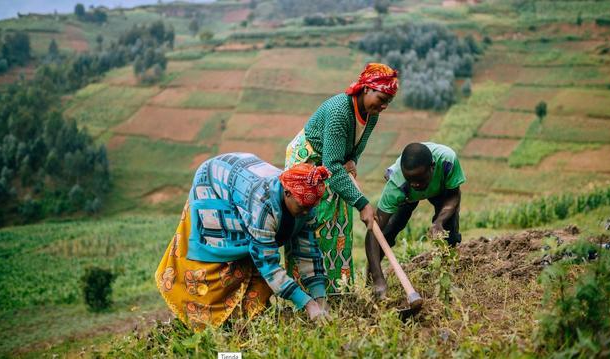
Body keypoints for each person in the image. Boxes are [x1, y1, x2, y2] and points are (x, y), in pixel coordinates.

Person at [155, 152, 331, 330]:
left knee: (256, 250)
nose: (306, 213)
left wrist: (320, 299)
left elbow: (308, 251)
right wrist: (308, 304)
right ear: (286, 193)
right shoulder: (261, 205)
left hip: (242, 175)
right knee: (227, 263)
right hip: (213, 182)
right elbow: (268, 264)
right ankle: (212, 326)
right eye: (302, 207)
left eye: (311, 208)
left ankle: (247, 318)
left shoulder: (306, 204)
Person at [284, 63, 398, 293]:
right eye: (381, 98)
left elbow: (355, 147)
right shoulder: (339, 111)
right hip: (309, 162)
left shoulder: (371, 115)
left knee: (338, 225)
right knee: (314, 221)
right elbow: (332, 167)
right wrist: (363, 204)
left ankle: (337, 291)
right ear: (366, 89)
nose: (384, 106)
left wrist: (353, 161)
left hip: (332, 162)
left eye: (389, 101)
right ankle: (305, 294)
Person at [366, 142, 466, 297]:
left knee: (449, 231)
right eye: (410, 179)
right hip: (406, 197)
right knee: (387, 232)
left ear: (432, 167)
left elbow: (454, 195)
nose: (415, 184)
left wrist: (439, 222)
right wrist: (378, 278)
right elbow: (374, 230)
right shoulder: (396, 184)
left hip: (441, 190)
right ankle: (373, 281)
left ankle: (447, 281)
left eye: (419, 179)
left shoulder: (448, 161)